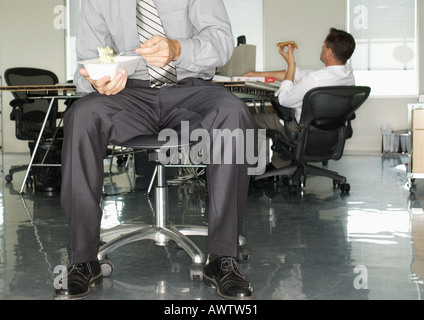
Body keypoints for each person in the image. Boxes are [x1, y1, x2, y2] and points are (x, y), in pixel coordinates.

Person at [54, 0, 254, 300]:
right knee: (82, 115)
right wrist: (98, 81)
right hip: (128, 93)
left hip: (189, 87)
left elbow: (222, 42)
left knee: (233, 112)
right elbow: (85, 66)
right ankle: (83, 259)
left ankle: (222, 258)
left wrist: (178, 48)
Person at [246, 28, 356, 171]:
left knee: (252, 120)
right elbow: (298, 75)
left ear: (329, 52)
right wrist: (257, 75)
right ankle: (279, 164)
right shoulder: (348, 74)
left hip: (303, 131)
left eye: (324, 45)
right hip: (332, 132)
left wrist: (291, 65)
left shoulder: (314, 81)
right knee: (288, 117)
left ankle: (254, 170)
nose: (321, 47)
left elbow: (284, 100)